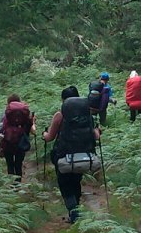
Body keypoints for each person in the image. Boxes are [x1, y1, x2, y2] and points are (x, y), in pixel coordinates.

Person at [43, 86, 100, 223]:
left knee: (65, 185)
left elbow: (50, 137)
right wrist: (98, 130)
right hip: (83, 155)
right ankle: (76, 210)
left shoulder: (60, 115)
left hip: (63, 156)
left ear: (63, 101)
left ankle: (74, 215)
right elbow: (96, 136)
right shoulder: (87, 115)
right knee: (76, 182)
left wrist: (43, 134)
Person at [0, 94, 36, 181]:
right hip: (21, 142)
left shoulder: (5, 113)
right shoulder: (25, 113)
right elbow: (32, 129)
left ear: (8, 102)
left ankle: (12, 188)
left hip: (7, 141)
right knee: (18, 164)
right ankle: (18, 185)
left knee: (10, 164)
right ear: (19, 101)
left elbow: (0, 128)